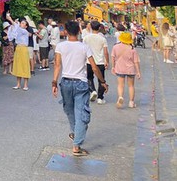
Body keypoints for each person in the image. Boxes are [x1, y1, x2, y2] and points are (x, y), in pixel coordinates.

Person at [52, 21, 108, 157]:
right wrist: (102, 82)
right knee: (81, 113)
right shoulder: (84, 47)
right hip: (81, 83)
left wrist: (54, 83)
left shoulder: (60, 46)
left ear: (65, 31)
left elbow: (57, 65)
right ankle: (76, 146)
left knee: (70, 110)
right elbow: (94, 67)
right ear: (78, 31)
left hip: (65, 82)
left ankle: (75, 132)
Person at [110, 31, 141, 108]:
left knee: (120, 85)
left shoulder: (115, 47)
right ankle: (131, 102)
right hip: (130, 69)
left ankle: (120, 97)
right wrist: (138, 72)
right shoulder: (132, 49)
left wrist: (113, 67)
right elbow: (136, 61)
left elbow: (113, 58)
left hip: (120, 68)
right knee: (131, 86)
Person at [83, 21, 109, 104]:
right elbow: (105, 52)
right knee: (101, 80)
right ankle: (100, 98)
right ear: (99, 28)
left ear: (90, 27)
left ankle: (93, 90)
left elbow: (83, 50)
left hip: (89, 61)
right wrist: (107, 61)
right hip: (100, 62)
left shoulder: (86, 38)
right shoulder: (102, 38)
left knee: (89, 77)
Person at [6, 13, 31, 90]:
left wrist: (10, 19)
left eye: (24, 23)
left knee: (24, 66)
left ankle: (26, 85)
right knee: (18, 66)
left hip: (23, 49)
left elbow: (17, 28)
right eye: (21, 23)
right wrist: (13, 22)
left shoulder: (25, 31)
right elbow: (14, 32)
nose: (22, 24)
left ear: (26, 26)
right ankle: (18, 84)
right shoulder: (19, 31)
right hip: (18, 48)